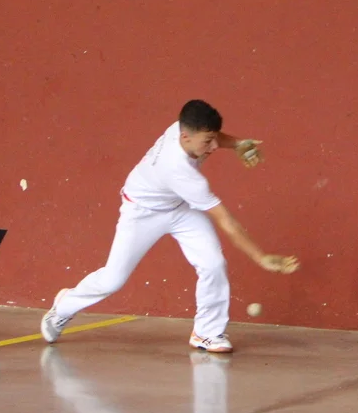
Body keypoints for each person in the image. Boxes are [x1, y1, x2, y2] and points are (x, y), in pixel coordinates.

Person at [41, 99, 299, 353]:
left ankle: (207, 333)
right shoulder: (179, 171)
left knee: (212, 263)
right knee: (112, 280)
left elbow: (210, 133)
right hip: (142, 212)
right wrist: (260, 257)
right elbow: (226, 220)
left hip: (179, 206)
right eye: (207, 142)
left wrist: (237, 144)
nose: (213, 147)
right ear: (185, 137)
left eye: (213, 139)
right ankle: (63, 307)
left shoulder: (184, 128)